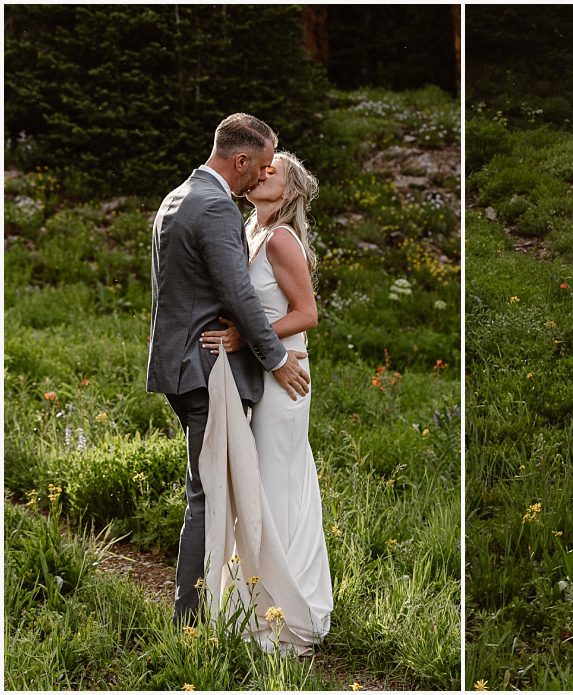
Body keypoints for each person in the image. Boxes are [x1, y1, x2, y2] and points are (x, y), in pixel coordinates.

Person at [147, 113, 310, 626]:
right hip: (206, 366)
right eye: (260, 167)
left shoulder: (179, 196)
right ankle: (191, 621)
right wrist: (278, 359)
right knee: (209, 496)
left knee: (210, 489)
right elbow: (238, 297)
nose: (261, 176)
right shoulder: (217, 207)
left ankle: (216, 606)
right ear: (240, 160)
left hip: (178, 362)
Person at [201, 151, 333, 654]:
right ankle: (257, 600)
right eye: (259, 168)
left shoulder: (280, 238)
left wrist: (246, 339)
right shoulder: (250, 230)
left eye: (271, 171)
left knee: (275, 490)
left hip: (285, 378)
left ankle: (284, 613)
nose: (260, 173)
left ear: (290, 190)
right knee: (267, 487)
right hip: (264, 373)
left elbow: (307, 314)